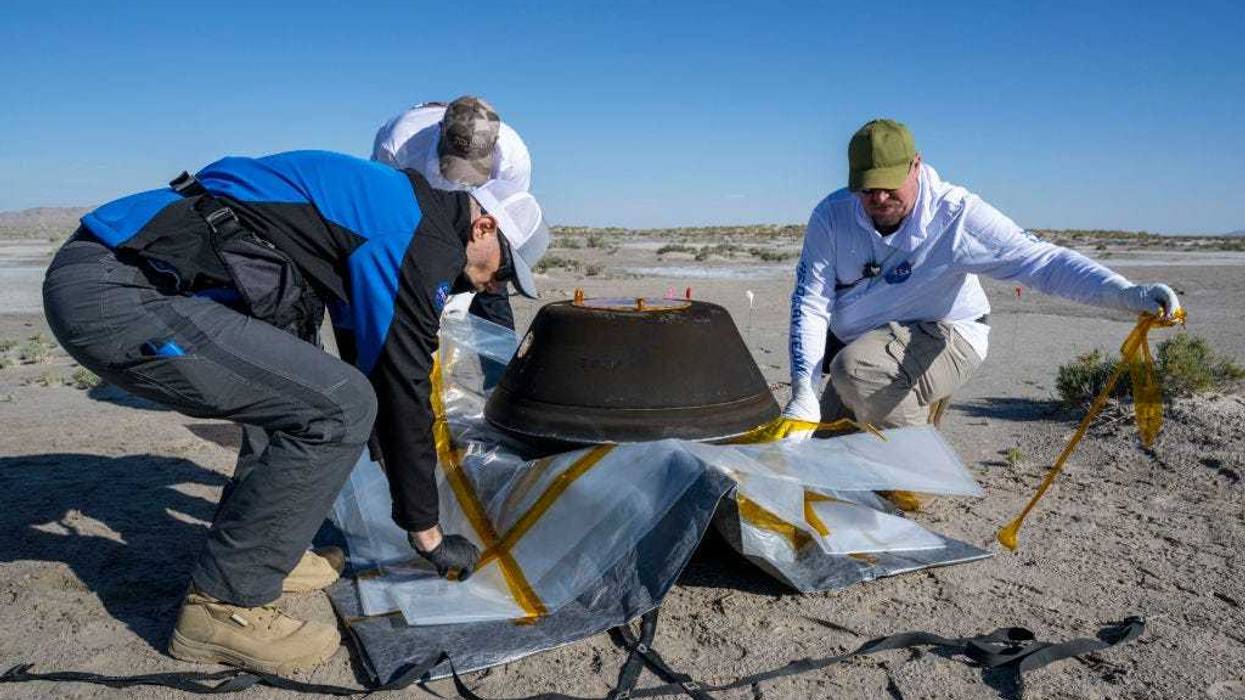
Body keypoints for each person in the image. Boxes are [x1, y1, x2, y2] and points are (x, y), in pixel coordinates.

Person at [42, 150, 550, 674]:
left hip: (130, 272)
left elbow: (371, 354)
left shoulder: (400, 209)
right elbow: (400, 383)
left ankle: (263, 550)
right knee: (340, 406)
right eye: (503, 270)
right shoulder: (419, 238)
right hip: (120, 289)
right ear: (482, 225)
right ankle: (223, 606)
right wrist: (426, 532)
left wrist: (387, 457)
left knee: (304, 388)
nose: (496, 287)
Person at [784, 119, 1181, 434]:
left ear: (916, 165)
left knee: (855, 373)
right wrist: (803, 390)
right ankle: (904, 411)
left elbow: (1042, 262)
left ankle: (919, 477)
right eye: (868, 188)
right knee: (828, 440)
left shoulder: (957, 216)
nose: (879, 198)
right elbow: (812, 302)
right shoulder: (831, 216)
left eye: (889, 185)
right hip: (869, 340)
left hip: (947, 332)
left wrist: (1125, 293)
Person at [372, 96, 532, 332]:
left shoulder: (514, 157)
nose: (460, 179)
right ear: (440, 132)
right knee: (409, 308)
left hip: (479, 232)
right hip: (419, 225)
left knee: (493, 301)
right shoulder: (398, 144)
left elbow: (508, 227)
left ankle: (504, 369)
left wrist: (466, 289)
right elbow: (387, 215)